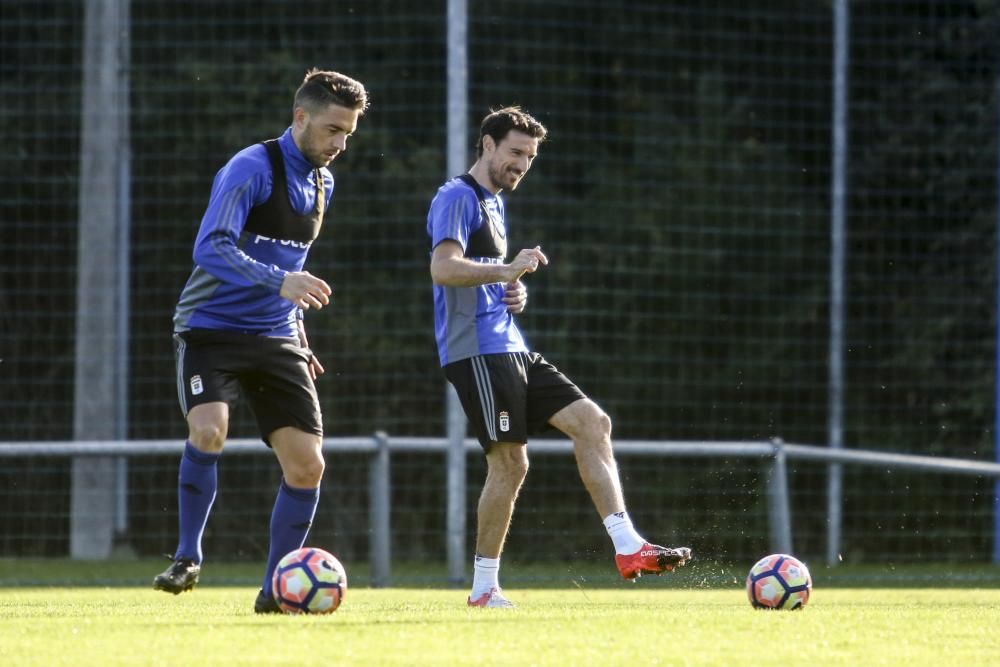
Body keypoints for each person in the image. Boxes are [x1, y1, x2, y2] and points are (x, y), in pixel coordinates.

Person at [426, 107, 692, 608]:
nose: (522, 164)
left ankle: (628, 547)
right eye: (514, 153)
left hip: (512, 345)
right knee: (510, 463)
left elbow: (484, 275)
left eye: (529, 157)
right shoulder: (456, 196)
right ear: (487, 145)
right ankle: (484, 589)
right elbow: (443, 269)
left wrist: (511, 289)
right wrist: (506, 269)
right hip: (477, 352)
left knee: (593, 422)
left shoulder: (496, 205)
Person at [153, 68, 368, 614]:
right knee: (209, 430)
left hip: (277, 335)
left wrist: (297, 328)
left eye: (348, 133)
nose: (340, 144)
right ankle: (186, 556)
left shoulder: (324, 182)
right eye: (332, 130)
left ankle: (276, 589)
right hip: (211, 328)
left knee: (307, 466)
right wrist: (279, 283)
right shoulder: (251, 168)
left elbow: (290, 262)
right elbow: (210, 247)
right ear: (300, 117)